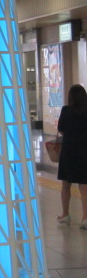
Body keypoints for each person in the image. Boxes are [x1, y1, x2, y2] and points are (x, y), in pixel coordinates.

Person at [56, 84, 87, 229]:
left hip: (68, 151)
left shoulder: (66, 110)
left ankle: (65, 214)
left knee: (66, 185)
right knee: (84, 185)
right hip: (84, 151)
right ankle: (85, 218)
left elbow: (61, 128)